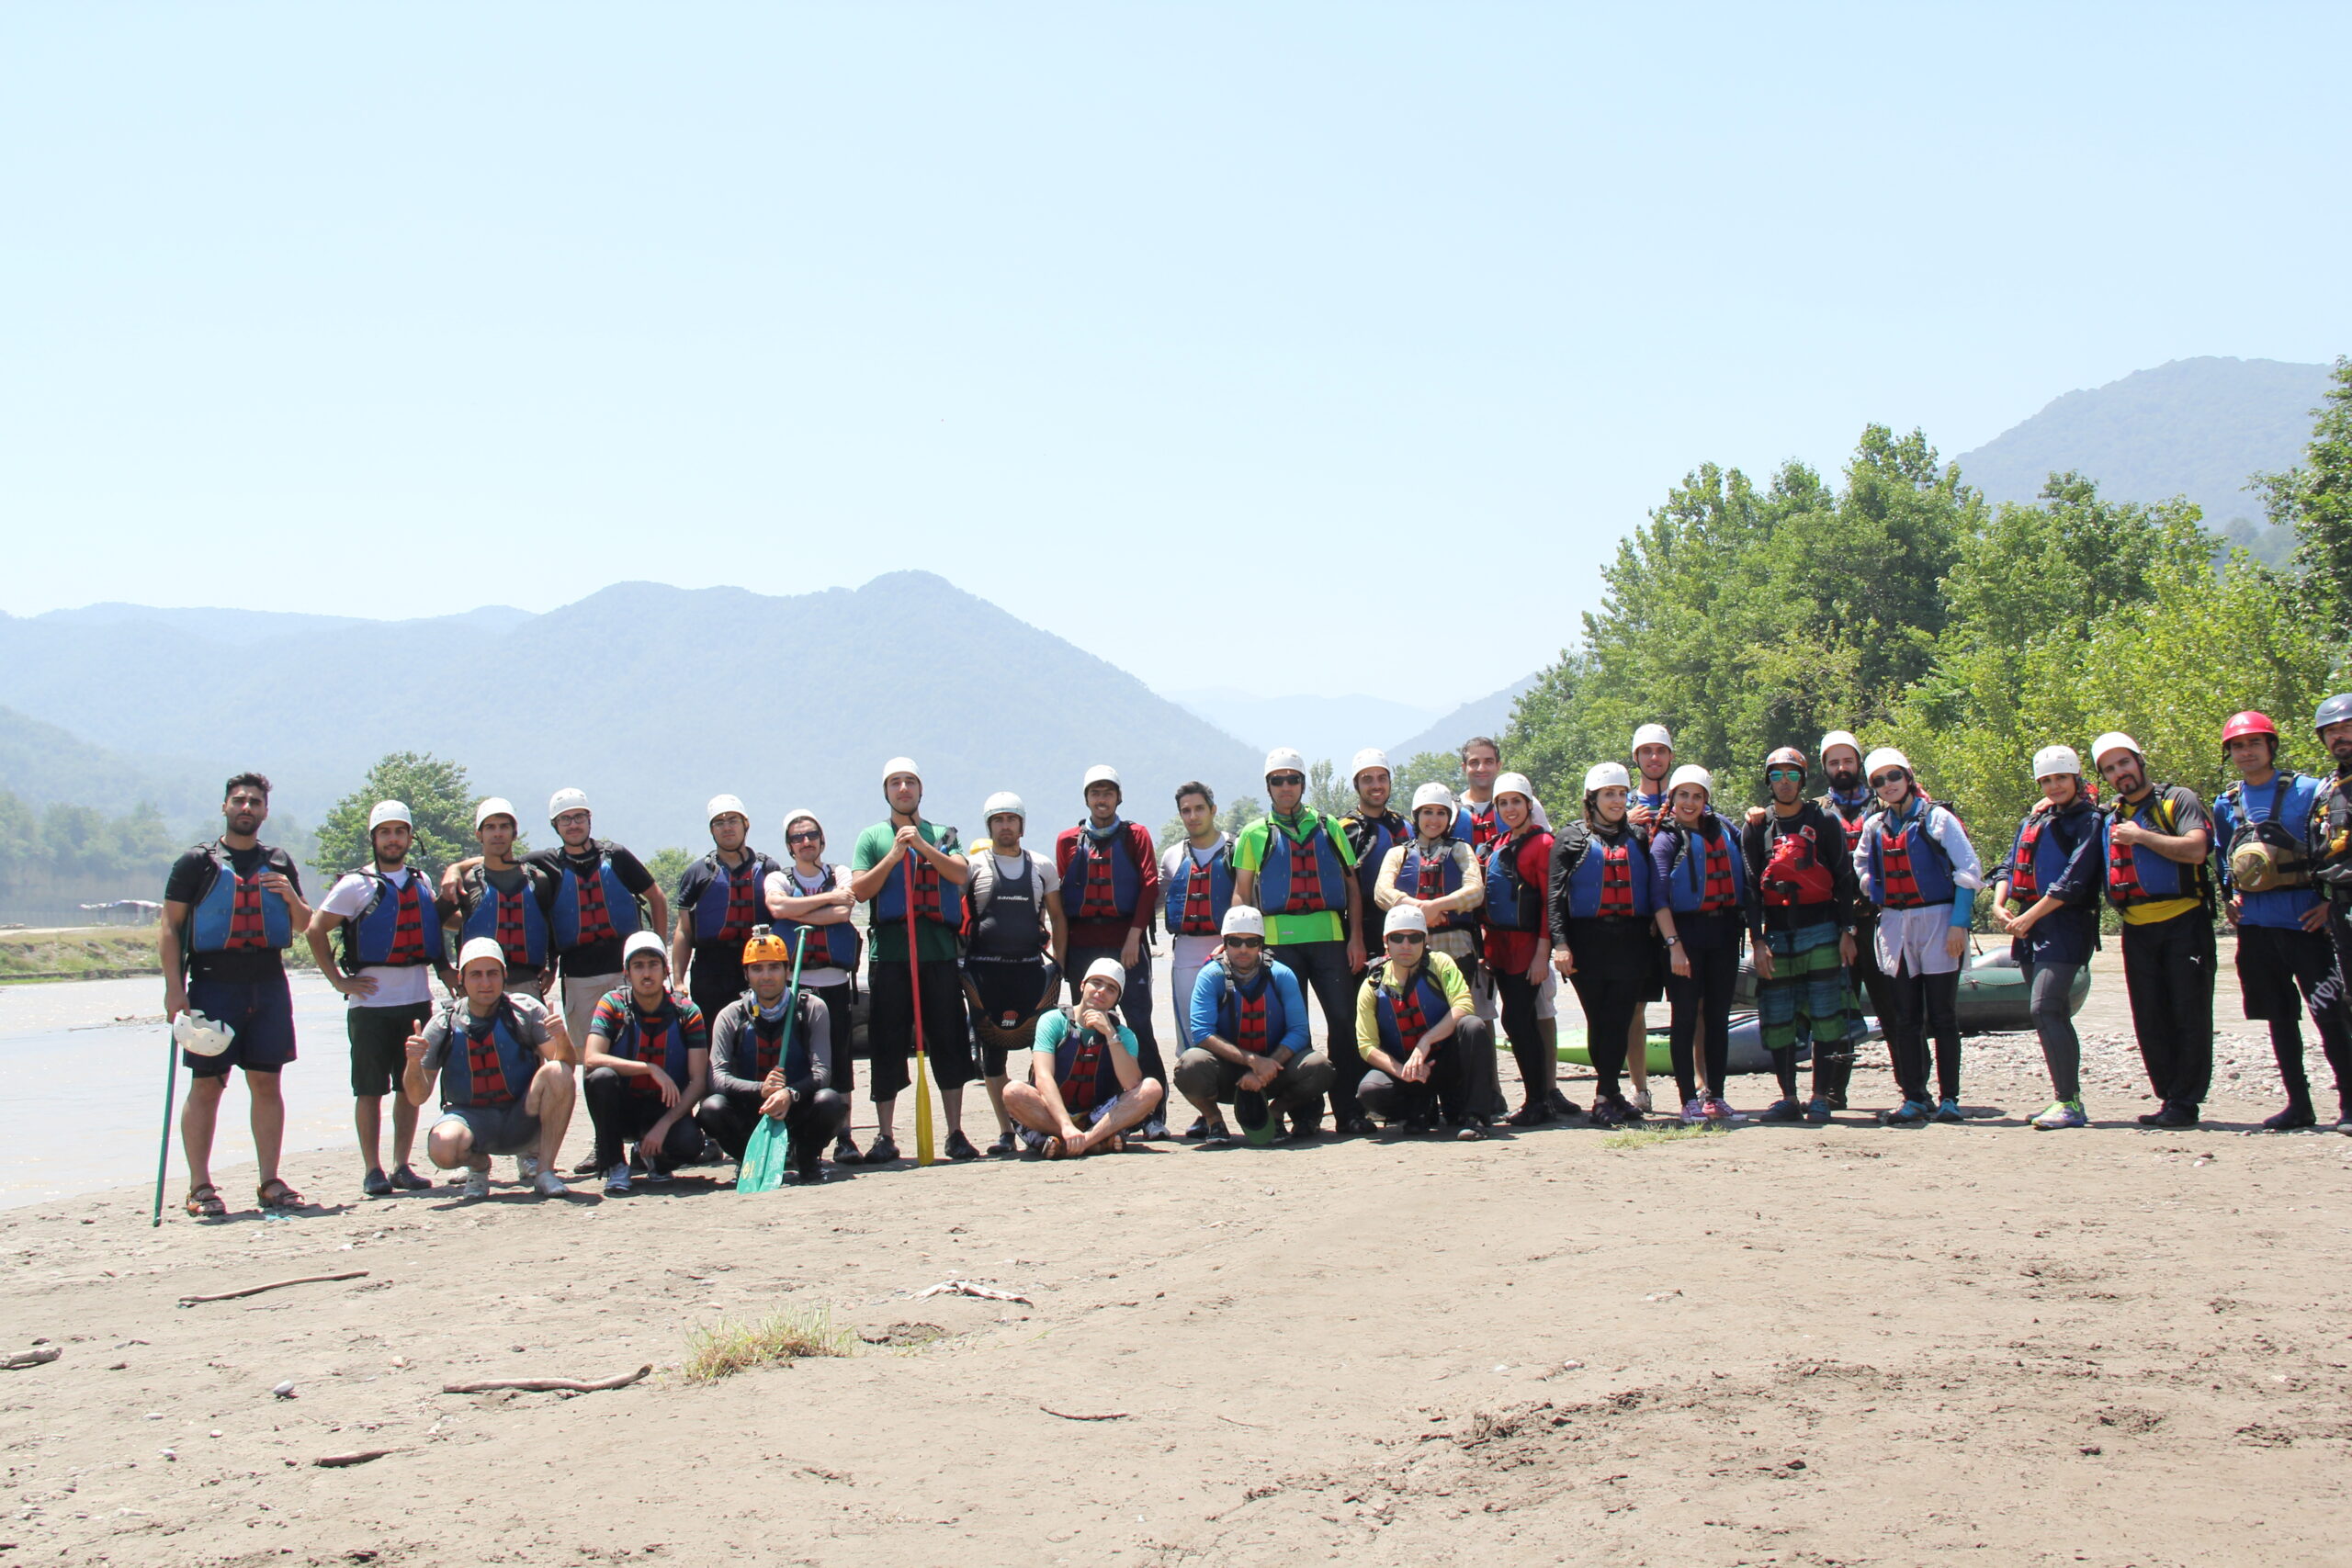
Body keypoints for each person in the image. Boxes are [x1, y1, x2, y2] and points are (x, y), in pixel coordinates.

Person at [2031, 733, 2218, 1129]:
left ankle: (2185, 1102)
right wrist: (2051, 803)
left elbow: (2197, 849)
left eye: (2124, 764)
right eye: (2111, 769)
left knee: (2189, 1011)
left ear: (2139, 761)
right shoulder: (2110, 814)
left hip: (2184, 921)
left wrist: (2142, 836)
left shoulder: (2178, 799)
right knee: (2149, 1017)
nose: (2121, 773)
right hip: (2137, 927)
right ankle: (2169, 1096)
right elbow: (2079, 818)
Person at [161, 773, 314, 1218]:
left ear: (265, 811)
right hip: (212, 983)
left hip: (268, 982)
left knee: (267, 1080)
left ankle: (270, 1180)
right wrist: (174, 990)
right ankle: (200, 1186)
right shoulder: (197, 863)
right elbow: (170, 927)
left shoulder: (279, 862)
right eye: (239, 801)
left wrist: (289, 896)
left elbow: (305, 924)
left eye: (255, 802)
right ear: (225, 807)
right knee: (207, 1084)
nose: (247, 808)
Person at [2208, 712, 2352, 1132]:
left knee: (2331, 1016)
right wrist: (2230, 897)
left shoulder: (2310, 791)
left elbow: (2333, 850)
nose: (2246, 752)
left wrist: (2330, 905)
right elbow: (2224, 857)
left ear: (2271, 747)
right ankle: (2298, 1104)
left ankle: (2348, 1102)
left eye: (2254, 743)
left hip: (2308, 925)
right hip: (2256, 929)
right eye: (2237, 745)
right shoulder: (2226, 802)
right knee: (2279, 1018)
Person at [305, 799, 457, 1196]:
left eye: (400, 832)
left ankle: (401, 1165)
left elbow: (434, 933)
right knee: (369, 1089)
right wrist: (338, 981)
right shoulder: (356, 885)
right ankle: (372, 1169)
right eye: (385, 832)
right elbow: (314, 930)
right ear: (374, 838)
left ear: (410, 838)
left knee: (409, 1087)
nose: (393, 839)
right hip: (370, 1004)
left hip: (415, 1000)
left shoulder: (422, 882)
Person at [849, 758, 980, 1163]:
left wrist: (922, 847)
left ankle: (955, 1132)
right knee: (887, 1042)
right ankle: (886, 1135)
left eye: (909, 782)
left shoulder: (943, 834)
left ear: (920, 790)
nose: (903, 788)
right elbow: (859, 889)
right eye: (895, 783)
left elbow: (960, 874)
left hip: (937, 956)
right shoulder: (871, 837)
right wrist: (894, 855)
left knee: (949, 1040)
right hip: (890, 957)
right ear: (886, 791)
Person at [1231, 748, 1367, 1135]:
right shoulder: (1254, 833)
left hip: (1330, 939)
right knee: (1295, 1028)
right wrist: (1243, 941)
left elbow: (1352, 886)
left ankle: (1348, 1110)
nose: (1286, 787)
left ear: (1303, 784)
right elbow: (1241, 893)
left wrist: (1355, 938)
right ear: (1268, 786)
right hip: (1278, 944)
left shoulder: (1329, 827)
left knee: (1343, 1024)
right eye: (1278, 780)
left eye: (1293, 779)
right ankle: (1304, 1113)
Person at [1851, 748, 1984, 1127]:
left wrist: (1959, 923)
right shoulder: (1875, 825)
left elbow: (1968, 870)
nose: (1888, 785)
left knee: (1942, 1014)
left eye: (1893, 776)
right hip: (1895, 922)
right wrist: (1871, 886)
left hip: (1939, 919)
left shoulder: (1937, 818)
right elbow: (1861, 863)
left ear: (1908, 777)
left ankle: (1950, 1098)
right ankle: (1913, 1096)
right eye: (1879, 780)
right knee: (1905, 1015)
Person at [1742, 747, 1864, 1124]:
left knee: (1827, 1016)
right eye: (1777, 775)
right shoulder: (1757, 826)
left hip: (1823, 929)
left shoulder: (1823, 820)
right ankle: (1788, 1097)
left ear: (1803, 779)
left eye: (1792, 775)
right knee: (1777, 1019)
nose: (1784, 782)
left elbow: (1844, 879)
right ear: (1768, 781)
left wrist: (1848, 931)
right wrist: (1757, 942)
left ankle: (1821, 1097)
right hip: (1777, 934)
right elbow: (1750, 888)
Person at [401, 937, 576, 1199]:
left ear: (504, 975)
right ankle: (479, 1165)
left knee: (558, 1073)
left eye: (492, 974)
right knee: (442, 1148)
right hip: (472, 1121)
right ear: (462, 978)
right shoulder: (443, 1024)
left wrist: (561, 1038)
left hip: (521, 1118)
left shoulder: (526, 1011)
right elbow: (417, 1096)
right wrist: (413, 1062)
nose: (485, 983)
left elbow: (566, 1068)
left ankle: (544, 1171)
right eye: (476, 975)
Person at [1991, 746, 2105, 1130]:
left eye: (2061, 778)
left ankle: (2068, 1102)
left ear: (2076, 779)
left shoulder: (2090, 821)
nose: (2054, 786)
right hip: (2028, 928)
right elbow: (2008, 865)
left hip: (2066, 927)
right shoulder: (2035, 819)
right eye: (2047, 780)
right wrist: (1999, 904)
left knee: (2044, 1007)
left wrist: (2029, 917)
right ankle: (2067, 1098)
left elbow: (2073, 879)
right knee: (2047, 1012)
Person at [1053, 765, 1167, 1137]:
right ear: (1086, 799)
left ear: (1119, 797)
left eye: (1108, 792)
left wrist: (1134, 937)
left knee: (1139, 1025)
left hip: (1126, 942)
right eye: (1095, 793)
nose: (1102, 799)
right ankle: (1085, 1110)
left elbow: (1149, 886)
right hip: (1083, 945)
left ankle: (1152, 1116)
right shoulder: (1068, 840)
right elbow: (1062, 905)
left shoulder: (1136, 835)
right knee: (1083, 1029)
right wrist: (1062, 957)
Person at [693, 926, 851, 1184]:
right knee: (711, 1109)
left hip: (798, 1106)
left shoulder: (812, 1008)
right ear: (746, 974)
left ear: (787, 971)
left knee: (830, 1102)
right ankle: (748, 1159)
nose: (766, 976)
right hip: (751, 1109)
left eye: (774, 967)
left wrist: (789, 1094)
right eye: (757, 968)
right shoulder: (731, 1015)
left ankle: (808, 1159)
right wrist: (760, 1090)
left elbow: (822, 1073)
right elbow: (717, 1078)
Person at [1549, 762, 1657, 1126]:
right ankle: (1605, 1093)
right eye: (1609, 794)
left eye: (1622, 794)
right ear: (1592, 799)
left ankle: (1609, 1093)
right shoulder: (1572, 837)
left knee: (1621, 1017)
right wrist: (1560, 944)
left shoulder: (1639, 836)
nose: (1617, 801)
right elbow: (1555, 897)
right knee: (1600, 1019)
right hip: (1588, 942)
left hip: (1631, 940)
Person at [1174, 906, 1336, 1145]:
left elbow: (1299, 1031)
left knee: (1319, 1066)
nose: (1242, 949)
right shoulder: (1211, 976)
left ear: (1261, 943)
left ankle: (1276, 1113)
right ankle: (1213, 1119)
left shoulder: (1282, 975)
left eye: (1251, 942)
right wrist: (1252, 1061)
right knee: (1190, 1064)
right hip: (1227, 1074)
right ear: (1225, 941)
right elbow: (1201, 1032)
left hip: (1273, 1072)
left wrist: (1265, 1067)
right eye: (1235, 941)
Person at [964, 792, 1067, 1155]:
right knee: (993, 1057)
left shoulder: (1041, 866)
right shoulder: (973, 867)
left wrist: (1060, 964)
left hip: (1030, 971)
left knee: (1042, 1049)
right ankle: (1006, 1130)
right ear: (989, 825)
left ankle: (1036, 1116)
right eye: (998, 820)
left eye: (1011, 819)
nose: (1005, 826)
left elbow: (1057, 917)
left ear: (1021, 824)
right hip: (987, 974)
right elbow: (960, 918)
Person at [763, 807, 865, 1165]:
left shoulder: (838, 872)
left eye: (811, 835)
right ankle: (794, 1137)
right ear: (789, 846)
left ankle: (845, 1137)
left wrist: (798, 912)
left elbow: (843, 912)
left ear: (822, 840)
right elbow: (776, 907)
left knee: (839, 1061)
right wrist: (824, 901)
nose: (805, 842)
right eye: (797, 837)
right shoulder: (777, 877)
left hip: (835, 984)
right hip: (797, 987)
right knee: (796, 1061)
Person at [536, 788, 666, 1058]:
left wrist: (658, 952)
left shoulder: (615, 855)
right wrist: (456, 870)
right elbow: (499, 861)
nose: (573, 824)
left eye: (578, 817)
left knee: (637, 1045)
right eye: (565, 819)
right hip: (578, 975)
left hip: (625, 971)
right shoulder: (545, 863)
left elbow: (656, 897)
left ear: (589, 819)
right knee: (589, 1054)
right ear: (555, 825)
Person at [582, 931, 715, 1194]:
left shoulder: (687, 1012)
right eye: (638, 966)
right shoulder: (612, 1004)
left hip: (664, 1108)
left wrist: (664, 1124)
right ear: (626, 972)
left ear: (665, 970)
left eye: (653, 965)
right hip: (624, 1107)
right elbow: (591, 1059)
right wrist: (648, 1068)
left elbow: (698, 1081)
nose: (646, 973)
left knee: (690, 1143)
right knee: (600, 1078)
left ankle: (655, 1159)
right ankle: (615, 1164)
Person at [1651, 764, 1746, 1123]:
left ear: (1706, 800)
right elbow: (1659, 898)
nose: (1689, 803)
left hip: (1723, 935)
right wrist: (1674, 945)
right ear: (1672, 798)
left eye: (1697, 796)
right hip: (1684, 937)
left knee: (1718, 1017)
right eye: (1683, 795)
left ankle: (1716, 1096)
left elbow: (1752, 837)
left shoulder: (1723, 829)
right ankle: (1688, 1099)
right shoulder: (1666, 838)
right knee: (1685, 1017)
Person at [1353, 904, 1498, 1138]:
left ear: (1425, 940)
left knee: (1473, 1026)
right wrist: (1402, 1071)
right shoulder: (1372, 984)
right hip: (1406, 1070)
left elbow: (1464, 1005)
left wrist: (1426, 1042)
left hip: (1445, 1063)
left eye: (1414, 938)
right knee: (1370, 1091)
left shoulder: (1440, 963)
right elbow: (1366, 1045)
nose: (1406, 945)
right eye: (1398, 938)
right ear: (1386, 942)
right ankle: (1418, 1109)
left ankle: (1476, 1118)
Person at [1004, 957, 1166, 1157]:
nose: (1101, 992)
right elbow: (1043, 1077)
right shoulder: (1053, 1021)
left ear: (1117, 999)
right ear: (1082, 985)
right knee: (1012, 1091)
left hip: (1098, 1114)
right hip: (1053, 1112)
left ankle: (1084, 1141)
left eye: (1111, 989)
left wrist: (1109, 1035)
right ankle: (1090, 1141)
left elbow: (1132, 1083)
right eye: (1096, 983)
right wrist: (1066, 1125)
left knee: (1152, 1088)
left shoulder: (1123, 1035)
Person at [1813, 730, 1891, 1111]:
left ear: (1859, 763)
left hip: (1879, 922)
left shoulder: (1887, 800)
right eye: (1833, 762)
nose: (1841, 768)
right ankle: (1830, 1091)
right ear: (1825, 767)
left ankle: (1915, 1089)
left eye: (1847, 761)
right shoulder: (1815, 810)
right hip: (1833, 925)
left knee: (1894, 1006)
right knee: (1835, 1011)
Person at [1483, 773, 1563, 1125]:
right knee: (1519, 1021)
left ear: (1529, 805)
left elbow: (1550, 902)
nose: (1510, 808)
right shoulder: (1498, 844)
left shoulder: (1543, 844)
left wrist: (1542, 955)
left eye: (1516, 801)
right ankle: (1538, 1098)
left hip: (1527, 947)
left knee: (1519, 1020)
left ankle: (1538, 1099)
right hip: (1499, 947)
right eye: (1503, 803)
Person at [669, 796, 785, 1027]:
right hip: (711, 969)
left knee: (760, 1034)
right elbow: (684, 930)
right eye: (719, 823)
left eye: (733, 820)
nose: (727, 827)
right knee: (712, 1037)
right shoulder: (697, 873)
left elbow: (783, 920)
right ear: (712, 830)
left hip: (758, 964)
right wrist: (678, 980)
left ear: (746, 824)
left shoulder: (768, 869)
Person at [1374, 781, 1485, 1001]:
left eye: (1441, 813)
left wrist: (1436, 906)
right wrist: (1419, 911)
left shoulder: (1461, 849)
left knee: (1457, 1014)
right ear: (1417, 815)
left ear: (1449, 818)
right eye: (1428, 812)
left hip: (1457, 947)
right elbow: (1381, 892)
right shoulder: (1399, 853)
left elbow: (1475, 891)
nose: (1434, 820)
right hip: (1410, 947)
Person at [444, 798, 559, 996]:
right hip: (478, 988)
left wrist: (552, 965)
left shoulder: (538, 880)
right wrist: (443, 968)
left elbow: (551, 927)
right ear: (479, 834)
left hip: (527, 984)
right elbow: (430, 920)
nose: (498, 833)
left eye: (504, 827)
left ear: (514, 833)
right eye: (490, 827)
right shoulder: (467, 881)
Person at [1622, 723, 1677, 1110]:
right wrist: (1626, 824)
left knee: (1694, 1005)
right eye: (1647, 752)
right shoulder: (1622, 805)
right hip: (1640, 924)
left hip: (1680, 919)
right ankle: (1639, 1089)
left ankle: (1700, 1088)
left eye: (1660, 751)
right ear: (1637, 758)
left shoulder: (1689, 798)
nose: (1654, 758)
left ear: (1670, 757)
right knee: (1635, 1008)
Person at [2304, 694, 2352, 1134]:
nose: (2340, 736)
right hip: (2340, 905)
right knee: (2342, 1002)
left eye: (2346, 728)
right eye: (2332, 731)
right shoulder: (2328, 790)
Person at [1160, 781, 1235, 1049]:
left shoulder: (1236, 848)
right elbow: (1155, 900)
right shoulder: (1171, 856)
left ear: (1213, 810)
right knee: (1192, 1037)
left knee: (1231, 1029)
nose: (1193, 816)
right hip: (1186, 953)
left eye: (1199, 808)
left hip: (1232, 953)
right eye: (1186, 810)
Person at [1340, 747, 1411, 949]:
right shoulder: (1344, 829)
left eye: (1382, 778)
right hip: (1364, 932)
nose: (1376, 785)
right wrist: (1355, 939)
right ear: (1356, 785)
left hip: (1407, 930)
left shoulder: (1406, 826)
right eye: (1367, 779)